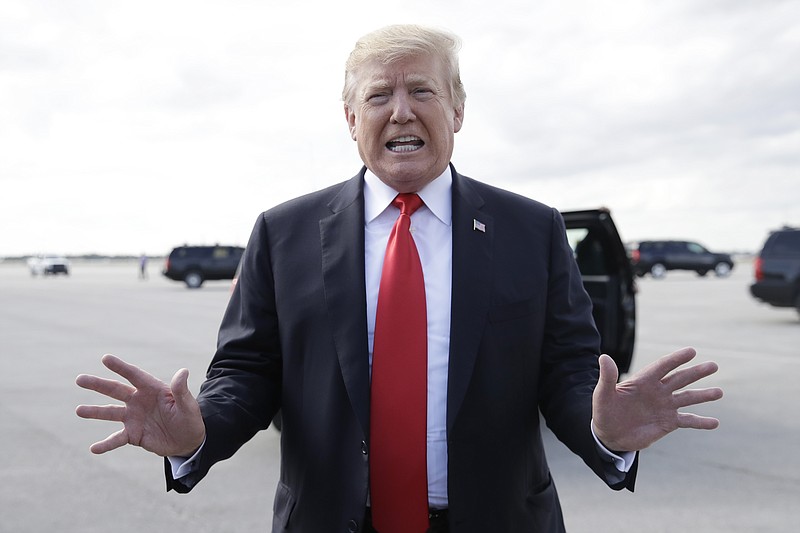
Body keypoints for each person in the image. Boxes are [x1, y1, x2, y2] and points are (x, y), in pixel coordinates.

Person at [76, 25, 723, 533]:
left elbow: (569, 373)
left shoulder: (532, 229)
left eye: (423, 91)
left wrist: (603, 427)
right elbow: (246, 373)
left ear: (459, 109)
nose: (402, 111)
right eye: (379, 95)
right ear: (351, 118)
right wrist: (199, 433)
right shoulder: (284, 232)